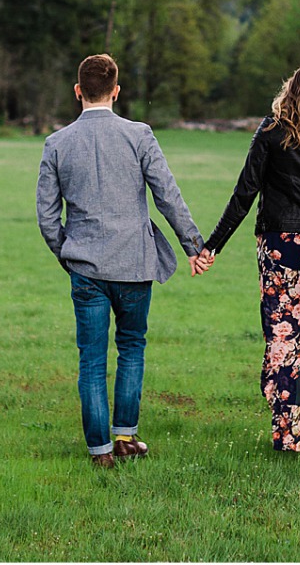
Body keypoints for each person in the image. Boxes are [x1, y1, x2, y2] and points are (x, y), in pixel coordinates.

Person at [36, 53, 205, 468]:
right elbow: (168, 194)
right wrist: (194, 246)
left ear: (78, 92)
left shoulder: (56, 143)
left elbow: (46, 215)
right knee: (131, 347)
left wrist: (67, 253)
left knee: (91, 359)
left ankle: (100, 453)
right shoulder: (140, 135)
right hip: (133, 265)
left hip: (85, 269)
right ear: (116, 91)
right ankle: (125, 438)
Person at [192, 63, 300, 453]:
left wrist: (212, 245)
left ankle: (290, 430)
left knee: (285, 335)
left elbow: (245, 191)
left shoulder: (271, 131)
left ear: (290, 92)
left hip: (279, 246)